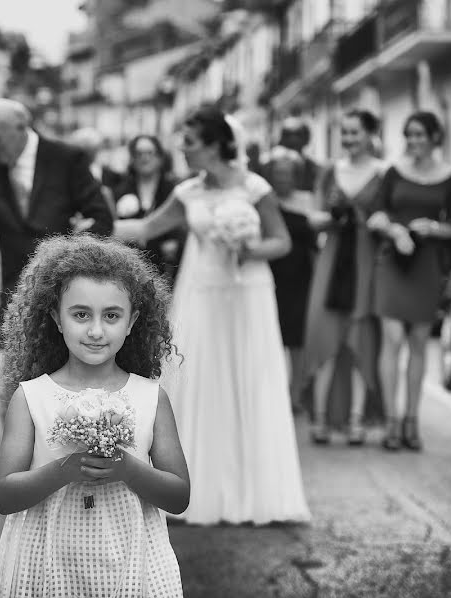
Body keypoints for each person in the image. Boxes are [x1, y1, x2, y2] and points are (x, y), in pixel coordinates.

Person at [115, 105, 310, 525]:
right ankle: (199, 487)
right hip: (201, 293)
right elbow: (146, 228)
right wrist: (92, 223)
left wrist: (246, 247)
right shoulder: (188, 192)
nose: (181, 149)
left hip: (247, 296)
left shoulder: (255, 188)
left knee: (247, 381)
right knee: (199, 380)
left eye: (189, 142)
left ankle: (254, 492)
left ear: (215, 146)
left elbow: (282, 242)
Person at [0, 234, 188, 596]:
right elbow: (4, 495)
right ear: (56, 317)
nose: (96, 330)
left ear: (132, 321)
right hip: (46, 563)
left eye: (111, 316)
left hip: (130, 562)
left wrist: (127, 469)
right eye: (81, 314)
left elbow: (178, 495)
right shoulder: (32, 397)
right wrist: (65, 469)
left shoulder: (150, 398)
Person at [0, 98, 113, 419]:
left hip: (62, 286)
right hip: (11, 288)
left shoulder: (67, 159)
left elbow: (100, 217)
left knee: (59, 368)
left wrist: (77, 258)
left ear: (21, 127)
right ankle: (20, 440)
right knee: (15, 373)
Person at [367, 111, 451, 452]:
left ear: (436, 136)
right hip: (393, 260)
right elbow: (376, 213)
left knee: (420, 343)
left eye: (420, 135)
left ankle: (412, 420)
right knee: (392, 338)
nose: (413, 141)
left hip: (427, 263)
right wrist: (395, 230)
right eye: (409, 135)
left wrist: (432, 228)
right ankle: (391, 421)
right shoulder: (394, 171)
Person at [306, 109, 386, 445]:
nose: (349, 139)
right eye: (345, 133)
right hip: (333, 259)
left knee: (360, 341)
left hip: (367, 261)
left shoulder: (384, 173)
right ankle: (321, 417)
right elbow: (313, 217)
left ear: (370, 134)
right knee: (324, 333)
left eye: (355, 132)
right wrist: (331, 218)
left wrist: (371, 218)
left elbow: (388, 215)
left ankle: (356, 420)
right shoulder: (329, 172)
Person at [265, 146, 322, 414]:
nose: (283, 178)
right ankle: (272, 391)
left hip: (301, 277)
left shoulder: (308, 201)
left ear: (296, 176)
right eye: (278, 173)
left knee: (297, 338)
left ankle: (296, 393)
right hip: (270, 275)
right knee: (272, 334)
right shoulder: (265, 200)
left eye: (288, 173)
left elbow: (317, 242)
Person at [113, 134, 185, 284]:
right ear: (132, 159)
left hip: (166, 266)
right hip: (129, 265)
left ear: (160, 157)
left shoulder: (173, 189)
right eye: (139, 154)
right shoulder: (120, 190)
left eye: (149, 153)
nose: (144, 158)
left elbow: (181, 223)